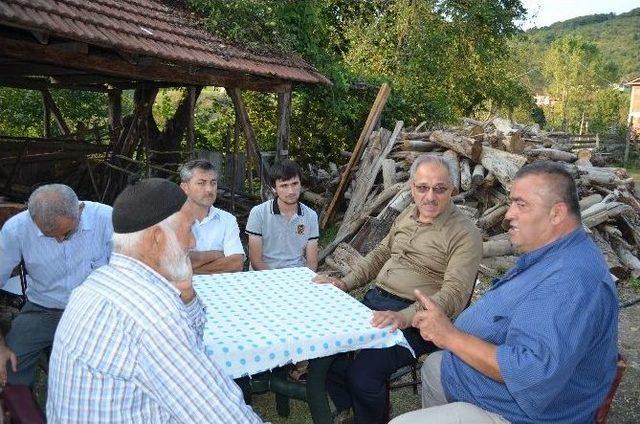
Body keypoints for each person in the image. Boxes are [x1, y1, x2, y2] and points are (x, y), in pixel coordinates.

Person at [392, 161, 619, 424]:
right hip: (493, 388)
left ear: (556, 214)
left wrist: (450, 336)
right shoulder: (553, 254)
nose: (508, 214)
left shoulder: (572, 279)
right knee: (435, 366)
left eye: (521, 205)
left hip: (522, 413)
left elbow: (531, 372)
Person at [46, 178, 262, 423]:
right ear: (157, 237)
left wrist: (186, 293)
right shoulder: (150, 310)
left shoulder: (97, 283)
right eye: (189, 229)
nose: (193, 243)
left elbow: (192, 343)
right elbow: (219, 414)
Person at [314, 154, 482, 424]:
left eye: (439, 188)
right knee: (323, 352)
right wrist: (344, 283)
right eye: (422, 187)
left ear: (453, 188)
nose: (430, 196)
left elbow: (455, 294)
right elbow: (380, 254)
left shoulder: (465, 234)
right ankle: (351, 409)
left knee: (364, 375)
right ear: (412, 187)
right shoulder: (407, 214)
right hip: (375, 301)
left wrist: (406, 316)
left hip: (420, 321)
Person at [0, 184, 112, 387]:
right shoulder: (17, 229)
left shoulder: (107, 219)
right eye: (49, 235)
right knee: (10, 363)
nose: (60, 240)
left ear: (80, 209)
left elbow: (132, 271)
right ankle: (19, 412)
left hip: (96, 312)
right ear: (32, 219)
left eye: (67, 233)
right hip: (43, 309)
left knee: (99, 369)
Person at [246, 160, 319, 271]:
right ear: (273, 188)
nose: (291, 191)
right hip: (264, 275)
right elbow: (256, 261)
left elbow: (312, 262)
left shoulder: (310, 215)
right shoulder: (258, 213)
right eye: (284, 186)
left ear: (301, 184)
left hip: (297, 274)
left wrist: (306, 279)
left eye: (295, 184)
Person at [179, 159, 244, 273]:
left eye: (213, 183)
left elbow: (236, 263)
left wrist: (190, 268)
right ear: (185, 187)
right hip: (180, 289)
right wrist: (216, 254)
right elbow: (172, 263)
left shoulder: (227, 219)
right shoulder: (172, 218)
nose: (209, 189)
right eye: (201, 183)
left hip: (221, 287)